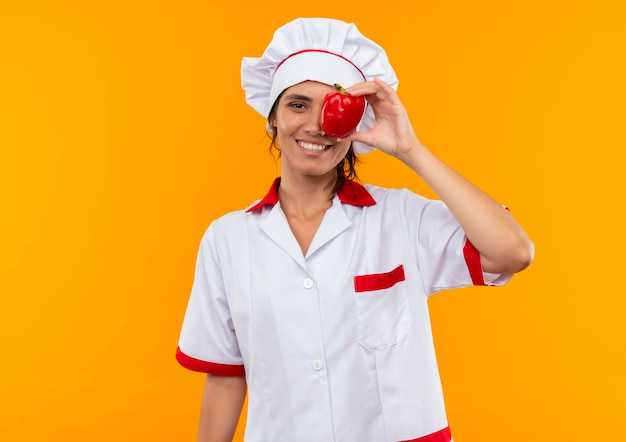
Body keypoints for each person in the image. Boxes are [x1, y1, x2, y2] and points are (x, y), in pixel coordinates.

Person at [176, 17, 534, 442]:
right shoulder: (227, 239)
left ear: (353, 125)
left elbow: (513, 252)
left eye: (332, 108)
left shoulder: (400, 217)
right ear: (271, 118)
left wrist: (410, 149)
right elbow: (225, 376)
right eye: (297, 104)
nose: (315, 126)